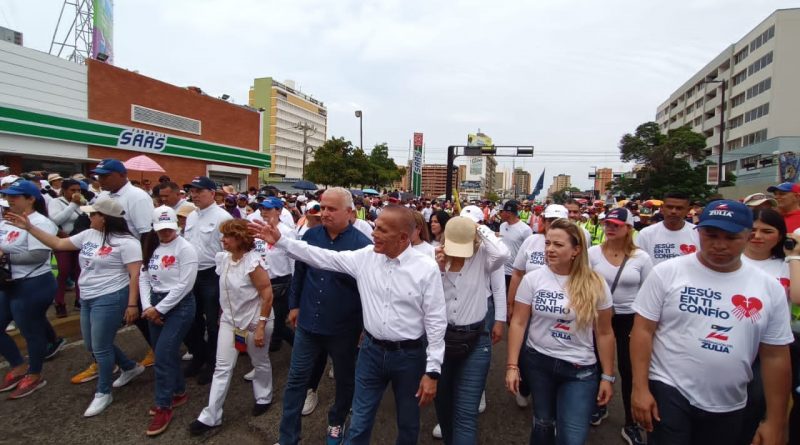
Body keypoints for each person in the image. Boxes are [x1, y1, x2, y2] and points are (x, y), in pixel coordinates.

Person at [254, 205, 447, 445]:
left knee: (408, 423)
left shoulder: (426, 267)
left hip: (409, 357)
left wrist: (432, 371)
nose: (374, 233)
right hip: (370, 354)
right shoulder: (365, 257)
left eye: (382, 230)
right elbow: (322, 256)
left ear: (403, 238)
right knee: (359, 422)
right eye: (375, 227)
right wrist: (282, 241)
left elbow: (436, 321)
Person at [630, 200, 793, 445]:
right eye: (711, 235)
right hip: (669, 388)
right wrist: (640, 388)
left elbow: (775, 356)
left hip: (729, 401)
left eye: (731, 237)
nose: (719, 245)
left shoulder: (769, 287)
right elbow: (643, 330)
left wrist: (775, 422)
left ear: (748, 236)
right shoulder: (667, 272)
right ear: (699, 232)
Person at [7, 197, 145, 416]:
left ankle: (104, 392)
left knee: (100, 347)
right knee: (92, 344)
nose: (89, 217)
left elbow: (135, 275)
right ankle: (130, 367)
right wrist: (30, 228)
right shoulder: (89, 234)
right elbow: (58, 244)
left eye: (93, 214)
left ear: (105, 218)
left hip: (110, 296)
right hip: (88, 296)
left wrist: (132, 304)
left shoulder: (127, 242)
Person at [506, 218, 615, 445]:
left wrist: (607, 376)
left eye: (558, 244)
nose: (549, 249)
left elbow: (604, 333)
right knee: (543, 423)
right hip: (538, 363)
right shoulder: (533, 279)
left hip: (580, 369)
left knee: (572, 435)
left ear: (576, 250)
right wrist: (512, 366)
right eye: (547, 243)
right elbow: (518, 322)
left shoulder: (596, 283)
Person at [276, 188, 371, 445]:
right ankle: (287, 437)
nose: (325, 213)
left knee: (344, 381)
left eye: (331, 209)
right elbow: (300, 272)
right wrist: (294, 306)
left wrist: (364, 327)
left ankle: (336, 423)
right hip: (308, 323)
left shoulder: (363, 246)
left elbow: (368, 292)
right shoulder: (311, 235)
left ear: (350, 213)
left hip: (344, 329)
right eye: (322, 207)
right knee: (296, 380)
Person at [189, 219, 275, 436]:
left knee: (259, 361)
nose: (223, 240)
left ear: (240, 239)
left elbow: (267, 294)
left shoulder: (253, 263)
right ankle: (211, 415)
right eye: (223, 235)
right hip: (230, 322)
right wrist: (223, 314)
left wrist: (260, 326)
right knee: (222, 367)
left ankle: (264, 396)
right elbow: (226, 291)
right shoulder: (224, 258)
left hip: (255, 321)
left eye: (228, 236)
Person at [432, 216, 509, 444]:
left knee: (466, 414)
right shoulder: (434, 256)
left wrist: (479, 228)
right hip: (440, 341)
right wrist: (438, 270)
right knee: (443, 407)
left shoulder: (483, 256)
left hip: (476, 339)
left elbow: (502, 254)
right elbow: (426, 298)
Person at [587, 208, 652, 444]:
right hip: (598, 317)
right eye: (608, 224)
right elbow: (583, 283)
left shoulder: (641, 258)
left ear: (629, 228)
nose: (610, 228)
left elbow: (649, 293)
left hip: (629, 320)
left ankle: (631, 422)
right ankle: (599, 405)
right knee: (595, 365)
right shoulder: (592, 253)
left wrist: (643, 325)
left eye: (616, 224)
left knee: (629, 369)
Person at [738, 208, 797, 444]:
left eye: (767, 231)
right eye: (752, 230)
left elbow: (798, 297)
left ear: (781, 235)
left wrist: (795, 256)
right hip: (736, 343)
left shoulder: (787, 265)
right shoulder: (731, 261)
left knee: (762, 402)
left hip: (773, 347)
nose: (758, 236)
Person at [139, 206, 198, 436]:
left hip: (179, 306)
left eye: (169, 228)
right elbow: (144, 277)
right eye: (161, 229)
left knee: (162, 356)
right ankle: (178, 391)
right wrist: (148, 306)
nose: (165, 233)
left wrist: (159, 309)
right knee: (164, 352)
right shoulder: (151, 246)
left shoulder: (185, 249)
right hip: (155, 302)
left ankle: (163, 405)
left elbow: (185, 285)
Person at [91, 159, 155, 367]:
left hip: (131, 260)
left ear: (122, 175)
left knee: (139, 308)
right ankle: (101, 356)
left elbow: (146, 233)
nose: (101, 180)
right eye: (99, 176)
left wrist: (142, 266)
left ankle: (156, 347)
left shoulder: (137, 197)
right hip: (108, 260)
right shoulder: (103, 196)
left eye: (106, 176)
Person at [0, 181, 61, 399]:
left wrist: (5, 257)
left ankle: (34, 374)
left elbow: (38, 255)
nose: (10, 200)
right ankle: (18, 365)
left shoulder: (41, 223)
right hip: (8, 282)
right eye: (8, 196)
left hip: (34, 283)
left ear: (31, 199)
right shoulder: (7, 220)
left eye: (15, 196)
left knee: (30, 330)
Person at [183, 176, 233, 385]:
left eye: (199, 191)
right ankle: (199, 355)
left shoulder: (223, 217)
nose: (194, 195)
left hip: (213, 274)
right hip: (191, 274)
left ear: (212, 193)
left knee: (213, 322)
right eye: (192, 191)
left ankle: (213, 363)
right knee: (191, 319)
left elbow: (229, 250)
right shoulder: (191, 216)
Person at [253, 197, 296, 353]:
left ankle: (301, 347)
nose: (263, 212)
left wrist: (294, 286)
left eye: (268, 209)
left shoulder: (287, 232)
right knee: (263, 318)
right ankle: (273, 343)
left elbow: (294, 260)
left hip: (281, 283)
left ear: (279, 211)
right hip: (261, 281)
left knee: (277, 322)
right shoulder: (259, 229)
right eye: (262, 208)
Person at [47, 178, 84, 317]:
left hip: (79, 240)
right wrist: (73, 205)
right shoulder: (56, 202)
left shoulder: (82, 202)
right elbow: (56, 219)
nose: (76, 192)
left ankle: (79, 300)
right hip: (63, 240)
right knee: (62, 272)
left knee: (81, 271)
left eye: (78, 190)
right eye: (72, 190)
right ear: (64, 190)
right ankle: (59, 302)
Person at [635, 191, 699, 265]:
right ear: (662, 208)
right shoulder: (646, 234)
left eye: (679, 208)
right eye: (669, 207)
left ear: (688, 210)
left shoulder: (698, 233)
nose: (673, 211)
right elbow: (637, 263)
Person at [499, 200, 533, 291]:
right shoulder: (502, 226)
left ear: (508, 213)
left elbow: (530, 251)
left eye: (502, 212)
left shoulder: (525, 229)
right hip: (500, 270)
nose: (500, 214)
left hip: (515, 273)